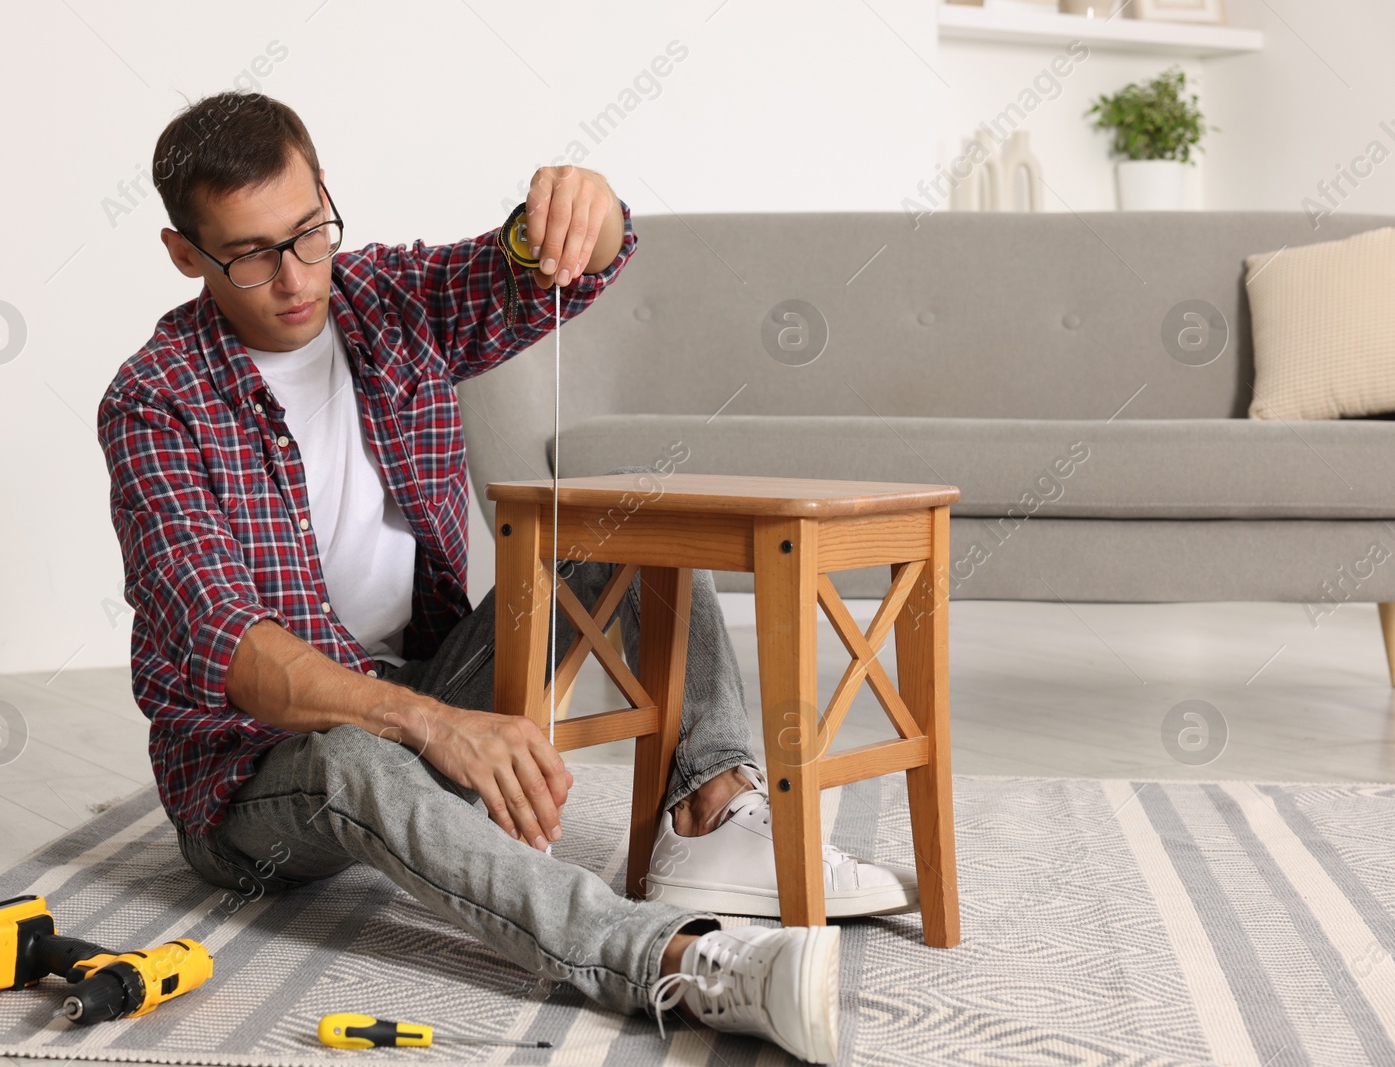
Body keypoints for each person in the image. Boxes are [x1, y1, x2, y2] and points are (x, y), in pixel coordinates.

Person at [96, 91, 916, 1064]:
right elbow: (235, 653)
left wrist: (585, 203)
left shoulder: (386, 299)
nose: (293, 275)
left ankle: (706, 808)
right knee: (355, 758)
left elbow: (564, 260)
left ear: (325, 195)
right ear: (185, 253)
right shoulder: (154, 403)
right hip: (258, 778)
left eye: (310, 231)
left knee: (625, 513)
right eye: (251, 252)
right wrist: (435, 725)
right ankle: (679, 958)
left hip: (430, 681)